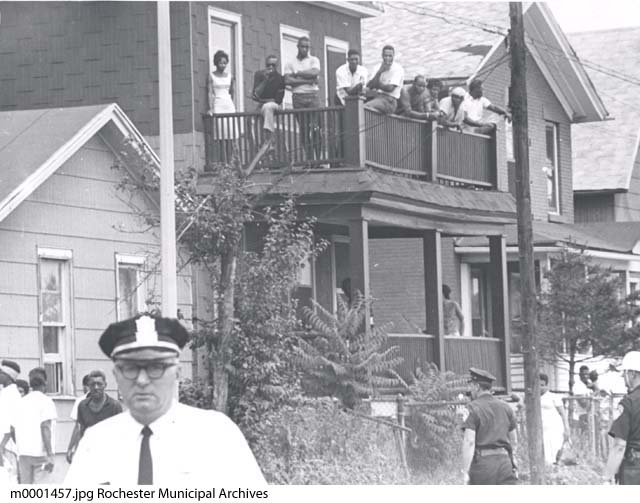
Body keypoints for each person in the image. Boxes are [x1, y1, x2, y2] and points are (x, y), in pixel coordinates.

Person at [65, 313, 266, 485]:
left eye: (156, 367)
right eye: (130, 368)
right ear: (116, 375)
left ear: (177, 372)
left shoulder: (216, 434)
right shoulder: (96, 442)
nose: (142, 380)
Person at [461, 367, 518, 485]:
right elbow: (514, 440)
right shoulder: (506, 407)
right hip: (505, 464)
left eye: (471, 386)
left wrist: (464, 472)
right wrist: (513, 461)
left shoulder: (472, 408)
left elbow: (469, 442)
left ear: (477, 387)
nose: (469, 390)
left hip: (483, 466)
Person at [66, 370, 123, 463]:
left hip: (108, 456)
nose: (96, 387)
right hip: (88, 455)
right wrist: (72, 450)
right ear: (89, 386)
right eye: (93, 384)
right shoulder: (82, 406)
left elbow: (120, 434)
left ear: (105, 385)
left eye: (99, 384)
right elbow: (80, 431)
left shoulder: (114, 406)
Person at [12, 371, 57, 484]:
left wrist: (20, 446)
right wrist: (50, 454)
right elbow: (45, 427)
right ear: (44, 384)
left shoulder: (20, 402)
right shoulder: (47, 401)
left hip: (23, 453)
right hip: (41, 454)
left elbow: (12, 428)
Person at [603, 351, 640, 484]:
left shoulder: (628, 402)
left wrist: (607, 477)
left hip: (635, 469)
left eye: (624, 374)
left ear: (632, 374)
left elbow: (619, 445)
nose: (623, 378)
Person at [284, 36, 322, 160]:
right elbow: (287, 80)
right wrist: (308, 80)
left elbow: (314, 73)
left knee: (316, 128)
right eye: (302, 46)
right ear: (298, 46)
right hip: (298, 97)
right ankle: (309, 160)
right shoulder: (290, 63)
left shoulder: (314, 60)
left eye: (307, 47)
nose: (305, 49)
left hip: (313, 96)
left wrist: (297, 74)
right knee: (304, 129)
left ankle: (318, 160)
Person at [207, 49, 237, 163]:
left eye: (225, 63)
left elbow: (232, 92)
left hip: (228, 104)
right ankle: (222, 161)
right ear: (216, 63)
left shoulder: (230, 76)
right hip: (218, 104)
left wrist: (232, 103)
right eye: (220, 63)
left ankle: (230, 160)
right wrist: (211, 107)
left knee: (230, 133)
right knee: (220, 134)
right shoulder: (211, 76)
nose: (223, 65)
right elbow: (210, 92)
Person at [252, 54, 285, 147]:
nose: (270, 67)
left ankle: (269, 139)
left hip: (274, 106)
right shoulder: (259, 75)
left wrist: (263, 100)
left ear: (277, 66)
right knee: (250, 119)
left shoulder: (280, 78)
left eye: (273, 65)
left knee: (267, 107)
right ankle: (257, 144)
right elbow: (255, 96)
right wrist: (265, 80)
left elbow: (278, 100)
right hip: (261, 105)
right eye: (268, 65)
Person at [539, 372, 569, 465]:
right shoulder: (533, 398)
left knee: (556, 449)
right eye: (538, 385)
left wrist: (567, 428)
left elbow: (563, 414)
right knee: (545, 452)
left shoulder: (553, 397)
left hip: (554, 428)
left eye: (542, 385)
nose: (540, 387)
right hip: (542, 429)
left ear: (547, 385)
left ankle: (556, 467)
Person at [0, 360, 22, 484]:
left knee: (9, 480)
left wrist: (2, 445)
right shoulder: (5, 392)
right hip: (3, 443)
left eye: (0, 373)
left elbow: (12, 425)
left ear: (8, 376)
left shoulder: (13, 395)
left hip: (8, 446)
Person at [365, 45, 404, 114]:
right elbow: (370, 86)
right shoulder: (377, 67)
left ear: (393, 56)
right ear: (382, 56)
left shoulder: (398, 69)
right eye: (385, 56)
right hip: (377, 97)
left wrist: (377, 84)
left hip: (390, 101)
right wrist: (380, 71)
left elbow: (390, 88)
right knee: (361, 107)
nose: (387, 58)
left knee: (366, 107)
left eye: (390, 56)